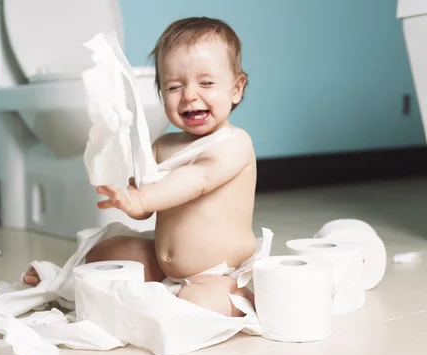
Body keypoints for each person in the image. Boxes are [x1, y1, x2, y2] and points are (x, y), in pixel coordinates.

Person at [24, 17, 257, 317]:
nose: (189, 95)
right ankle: (61, 280)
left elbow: (198, 178)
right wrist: (130, 192)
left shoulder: (235, 143)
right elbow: (147, 207)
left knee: (196, 304)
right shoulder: (164, 145)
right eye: (174, 86)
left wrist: (142, 199)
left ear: (236, 89)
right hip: (164, 263)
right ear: (161, 93)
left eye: (206, 83)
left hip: (220, 272)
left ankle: (237, 296)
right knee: (104, 253)